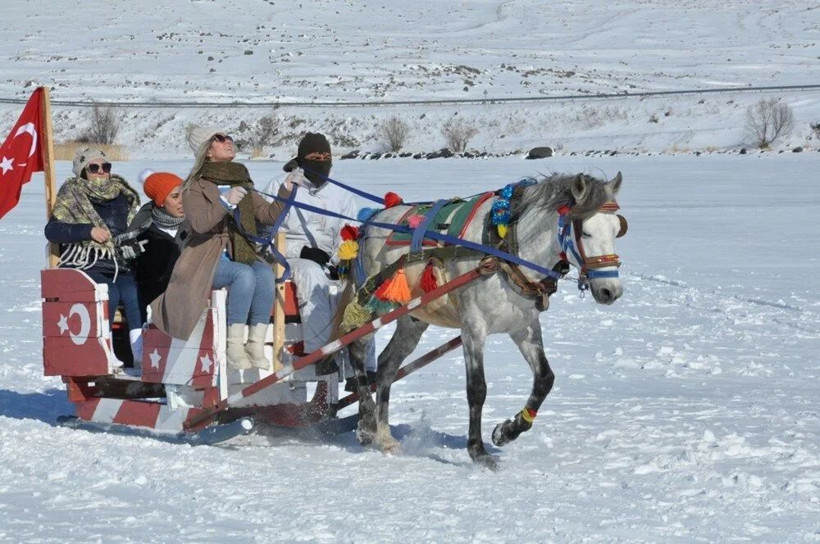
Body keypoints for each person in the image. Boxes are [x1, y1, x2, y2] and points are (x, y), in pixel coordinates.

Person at [150, 126, 304, 370]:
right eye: (219, 139)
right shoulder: (193, 186)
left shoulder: (241, 179)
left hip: (239, 250)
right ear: (207, 151)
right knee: (243, 274)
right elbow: (199, 225)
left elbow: (268, 215)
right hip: (206, 257)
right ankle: (234, 347)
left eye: (228, 137)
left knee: (264, 273)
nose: (228, 142)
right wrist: (224, 202)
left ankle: (254, 343)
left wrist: (287, 188)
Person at [264, 132, 375, 386]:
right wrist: (300, 253)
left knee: (361, 285)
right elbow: (266, 235)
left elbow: (347, 234)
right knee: (312, 274)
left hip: (327, 259)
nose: (322, 161)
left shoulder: (341, 194)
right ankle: (320, 354)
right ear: (302, 159)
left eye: (326, 157)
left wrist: (341, 260)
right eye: (315, 157)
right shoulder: (281, 186)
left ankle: (363, 367)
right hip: (287, 259)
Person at [45, 147, 144, 368]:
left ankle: (139, 352)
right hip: (85, 262)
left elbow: (135, 227)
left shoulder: (122, 195)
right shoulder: (72, 194)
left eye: (105, 166)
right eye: (93, 167)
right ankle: (104, 349)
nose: (101, 171)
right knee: (108, 291)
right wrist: (87, 231)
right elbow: (53, 231)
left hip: (118, 262)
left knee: (133, 291)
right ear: (83, 171)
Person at [128, 170, 187, 323]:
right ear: (161, 202)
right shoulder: (144, 231)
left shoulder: (196, 223)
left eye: (184, 194)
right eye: (175, 196)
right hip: (157, 296)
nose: (183, 201)